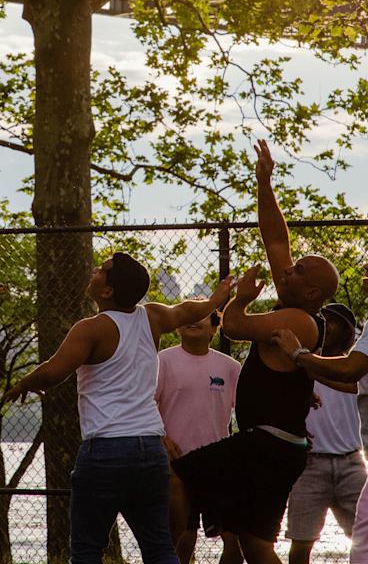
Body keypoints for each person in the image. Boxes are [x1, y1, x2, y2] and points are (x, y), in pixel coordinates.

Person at [3, 251, 234, 564]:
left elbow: (53, 371)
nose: (95, 271)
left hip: (106, 450)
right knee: (159, 546)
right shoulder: (151, 317)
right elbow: (185, 310)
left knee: (86, 550)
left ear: (107, 291)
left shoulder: (92, 328)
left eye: (102, 270)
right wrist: (215, 300)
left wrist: (23, 383)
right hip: (151, 450)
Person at [171, 140, 337, 564]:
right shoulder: (294, 301)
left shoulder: (300, 322)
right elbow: (275, 237)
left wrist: (240, 298)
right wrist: (264, 183)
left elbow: (237, 326)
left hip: (267, 446)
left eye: (298, 270)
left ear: (313, 291)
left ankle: (167, 551)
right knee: (254, 544)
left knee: (174, 475)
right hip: (274, 447)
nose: (288, 267)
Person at [273, 265, 368, 564]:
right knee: (302, 545)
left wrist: (299, 355)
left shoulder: (346, 362)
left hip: (352, 463)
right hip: (310, 465)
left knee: (362, 543)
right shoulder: (306, 369)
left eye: (334, 321)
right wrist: (303, 362)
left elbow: (350, 374)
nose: (364, 279)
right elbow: (352, 381)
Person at [156, 309, 242, 564]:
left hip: (219, 464)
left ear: (214, 329)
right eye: (188, 315)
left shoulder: (230, 367)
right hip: (177, 465)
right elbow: (145, 404)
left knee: (235, 539)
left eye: (203, 316)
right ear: (177, 327)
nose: (193, 319)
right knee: (184, 539)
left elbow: (249, 410)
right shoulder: (161, 362)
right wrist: (161, 439)